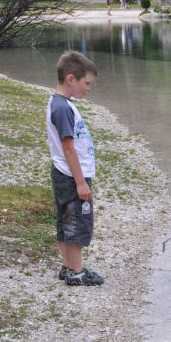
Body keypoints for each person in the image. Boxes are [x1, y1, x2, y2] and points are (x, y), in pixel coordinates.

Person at [46, 51, 104, 286]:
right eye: (87, 83)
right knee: (77, 220)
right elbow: (68, 148)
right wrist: (80, 182)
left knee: (66, 218)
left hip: (66, 174)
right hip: (71, 176)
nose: (89, 88)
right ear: (71, 79)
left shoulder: (61, 104)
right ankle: (77, 271)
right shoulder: (62, 108)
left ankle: (68, 266)